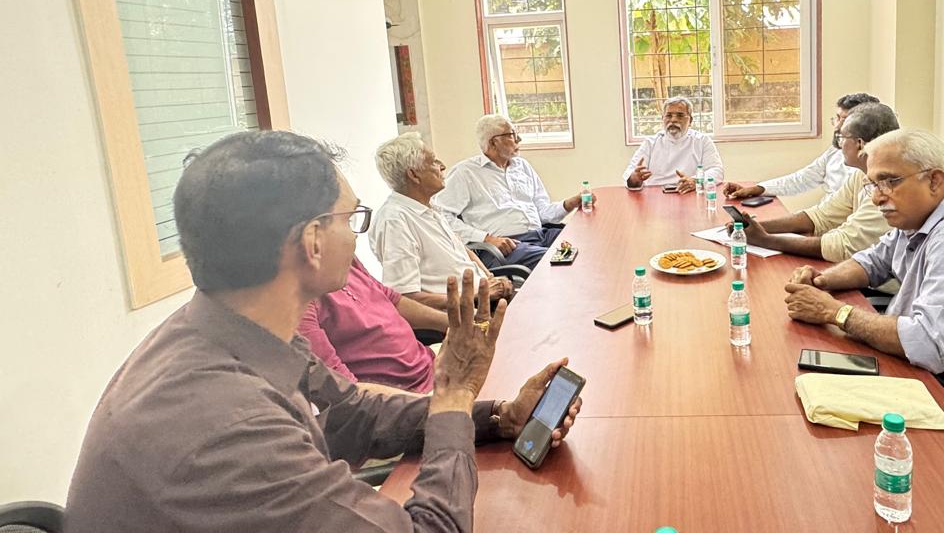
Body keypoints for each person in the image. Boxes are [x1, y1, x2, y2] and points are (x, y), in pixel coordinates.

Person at [65, 131, 582, 532]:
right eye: (351, 219)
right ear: (313, 241)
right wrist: (453, 391)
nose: (356, 239)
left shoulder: (227, 331)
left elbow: (351, 411)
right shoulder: (226, 427)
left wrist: (497, 417)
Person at [781, 129, 944, 398]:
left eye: (889, 182)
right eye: (873, 185)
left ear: (934, 180)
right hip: (921, 365)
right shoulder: (920, 219)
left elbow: (932, 345)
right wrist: (822, 280)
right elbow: (873, 261)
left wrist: (834, 312)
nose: (876, 198)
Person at [733, 102, 898, 263]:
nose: (840, 144)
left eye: (842, 138)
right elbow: (819, 216)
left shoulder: (889, 187)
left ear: (860, 144)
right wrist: (755, 227)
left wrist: (765, 239)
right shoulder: (860, 174)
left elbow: (843, 246)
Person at [371, 132, 515, 309]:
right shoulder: (395, 221)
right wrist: (476, 296)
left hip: (483, 298)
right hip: (463, 312)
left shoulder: (428, 207)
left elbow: (462, 251)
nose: (442, 166)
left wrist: (490, 279)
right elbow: (405, 299)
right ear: (414, 175)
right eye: (433, 162)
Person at [433, 116, 583, 270]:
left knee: (586, 244)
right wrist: (486, 239)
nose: (519, 139)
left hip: (541, 235)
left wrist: (570, 203)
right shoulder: (465, 172)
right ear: (493, 142)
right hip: (507, 247)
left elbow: (543, 212)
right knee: (563, 259)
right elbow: (441, 216)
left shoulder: (522, 166)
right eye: (512, 134)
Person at [298, 257, 444, 394]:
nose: (354, 240)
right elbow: (343, 390)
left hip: (430, 366)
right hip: (410, 397)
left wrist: (451, 323)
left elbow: (389, 298)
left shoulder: (343, 259)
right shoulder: (298, 299)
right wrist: (441, 400)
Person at [724, 92, 880, 205]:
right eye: (837, 118)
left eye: (845, 120)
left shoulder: (873, 167)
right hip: (824, 221)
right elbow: (802, 179)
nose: (838, 126)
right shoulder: (835, 151)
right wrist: (757, 189)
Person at [623, 96, 724, 192]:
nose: (673, 120)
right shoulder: (650, 143)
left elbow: (717, 171)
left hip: (688, 193)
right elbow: (630, 174)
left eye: (680, 115)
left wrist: (696, 181)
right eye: (669, 115)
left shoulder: (702, 141)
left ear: (690, 120)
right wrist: (635, 178)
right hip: (656, 197)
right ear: (663, 118)